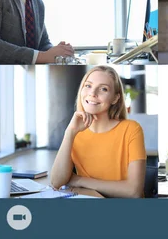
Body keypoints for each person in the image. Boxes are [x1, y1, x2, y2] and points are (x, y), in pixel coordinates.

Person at [50, 66, 146, 198]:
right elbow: (56, 182)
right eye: (88, 86)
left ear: (115, 98)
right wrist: (69, 133)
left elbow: (133, 191)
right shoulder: (75, 132)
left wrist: (79, 180)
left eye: (103, 89)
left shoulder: (131, 129)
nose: (92, 93)